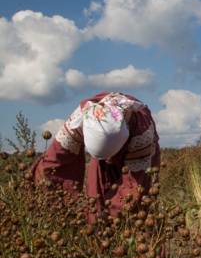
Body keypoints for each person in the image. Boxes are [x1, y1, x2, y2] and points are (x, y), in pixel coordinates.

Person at [32, 91, 160, 223]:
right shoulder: (81, 118)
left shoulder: (143, 133)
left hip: (137, 156)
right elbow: (54, 160)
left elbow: (134, 187)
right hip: (100, 157)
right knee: (95, 197)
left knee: (133, 208)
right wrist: (43, 188)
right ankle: (94, 230)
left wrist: (111, 218)